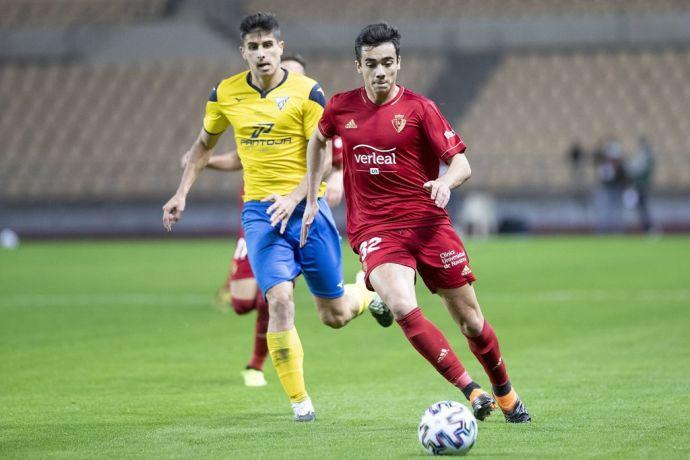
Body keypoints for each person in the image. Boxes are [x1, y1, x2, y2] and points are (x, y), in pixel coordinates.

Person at [162, 13, 391, 422]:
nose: (262, 53)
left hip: (309, 211)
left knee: (334, 315)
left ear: (281, 48)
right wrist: (181, 193)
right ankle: (301, 404)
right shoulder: (225, 94)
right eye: (254, 47)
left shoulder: (309, 93)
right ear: (243, 52)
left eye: (268, 45)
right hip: (260, 214)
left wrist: (293, 197)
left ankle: (367, 292)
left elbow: (321, 161)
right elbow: (201, 147)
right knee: (279, 299)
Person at [301, 23, 530, 423]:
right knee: (404, 305)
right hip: (376, 230)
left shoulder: (420, 109)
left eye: (388, 63)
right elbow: (317, 140)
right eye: (371, 64)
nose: (380, 72)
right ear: (358, 65)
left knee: (471, 321)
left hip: (428, 225)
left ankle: (506, 393)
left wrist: (445, 182)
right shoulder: (340, 107)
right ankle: (470, 390)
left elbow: (462, 163)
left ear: (398, 63)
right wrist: (311, 194)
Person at [179, 55, 345, 388]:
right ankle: (266, 290)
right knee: (243, 303)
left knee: (284, 297)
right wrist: (204, 163)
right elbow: (238, 157)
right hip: (258, 213)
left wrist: (336, 180)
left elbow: (332, 159)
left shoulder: (313, 112)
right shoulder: (259, 113)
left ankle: (257, 365)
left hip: (299, 211)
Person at [625, 136, 655, 233]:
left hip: (641, 186)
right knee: (642, 208)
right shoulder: (642, 157)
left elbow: (635, 170)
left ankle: (648, 227)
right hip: (639, 186)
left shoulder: (645, 157)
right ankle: (646, 228)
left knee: (643, 208)